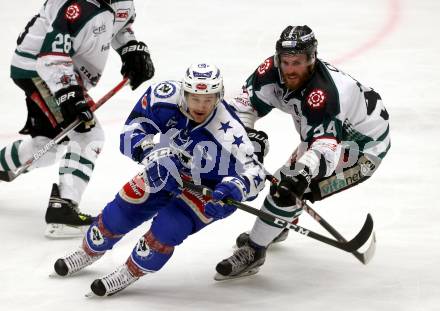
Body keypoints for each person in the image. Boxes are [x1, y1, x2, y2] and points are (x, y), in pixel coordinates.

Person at [52, 63, 266, 296]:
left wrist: (232, 189)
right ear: (184, 93)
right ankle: (88, 251)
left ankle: (130, 271)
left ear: (219, 96)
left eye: (209, 99)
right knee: (124, 208)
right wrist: (151, 153)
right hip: (168, 168)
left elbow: (255, 174)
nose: (202, 106)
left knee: (169, 227)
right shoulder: (164, 97)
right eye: (195, 98)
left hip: (208, 189)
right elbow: (131, 130)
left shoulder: (229, 131)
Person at [215, 25, 391, 280]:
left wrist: (304, 173)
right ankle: (280, 223)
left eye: (297, 62)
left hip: (361, 148)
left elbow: (326, 148)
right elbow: (244, 106)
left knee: (287, 188)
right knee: (287, 185)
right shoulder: (270, 71)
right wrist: (247, 136)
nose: (289, 69)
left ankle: (254, 250)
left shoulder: (325, 93)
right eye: (285, 61)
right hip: (327, 136)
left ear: (312, 59)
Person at [0, 0, 155, 238]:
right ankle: (63, 209)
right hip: (41, 69)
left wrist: (130, 48)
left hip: (61, 70)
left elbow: (120, 25)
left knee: (47, 146)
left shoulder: (120, 2)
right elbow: (51, 55)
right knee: (88, 135)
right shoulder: (77, 7)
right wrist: (67, 93)